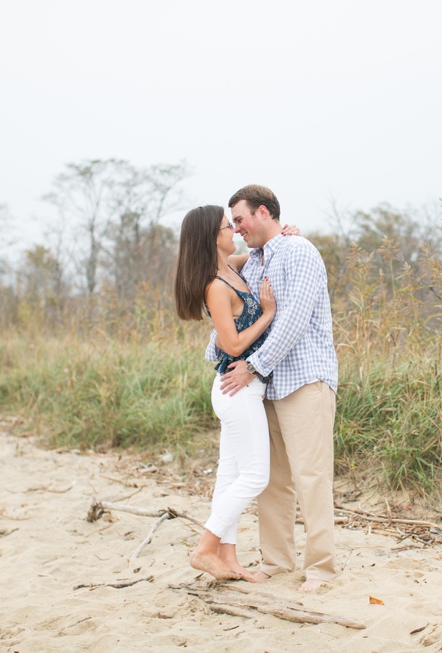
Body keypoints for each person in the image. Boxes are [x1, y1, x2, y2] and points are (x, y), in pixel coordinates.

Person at [214, 184, 339, 592]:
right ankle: (278, 559)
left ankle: (320, 568)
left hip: (304, 378)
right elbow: (238, 310)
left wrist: (252, 366)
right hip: (265, 385)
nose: (236, 229)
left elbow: (294, 318)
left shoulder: (299, 251)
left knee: (311, 475)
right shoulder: (252, 262)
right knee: (271, 478)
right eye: (231, 224)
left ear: (264, 212)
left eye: (241, 220)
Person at [173, 204, 278, 582]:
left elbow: (260, 249)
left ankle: (229, 559)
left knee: (230, 477)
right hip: (237, 389)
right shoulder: (216, 286)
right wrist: (266, 314)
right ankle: (205, 548)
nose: (233, 228)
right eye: (225, 226)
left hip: (241, 388)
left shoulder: (230, 267)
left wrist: (286, 232)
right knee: (255, 477)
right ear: (210, 237)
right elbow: (232, 345)